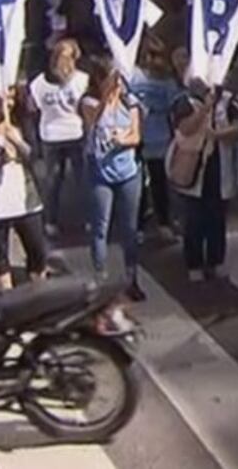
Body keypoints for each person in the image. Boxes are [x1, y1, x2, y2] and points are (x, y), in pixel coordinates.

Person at [170, 79, 238, 281]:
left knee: (217, 218)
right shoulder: (184, 101)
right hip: (193, 167)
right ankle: (194, 263)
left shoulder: (227, 100)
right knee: (194, 219)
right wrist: (205, 108)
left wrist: (219, 134)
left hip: (220, 168)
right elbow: (184, 128)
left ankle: (216, 261)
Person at [0, 93, 49, 290]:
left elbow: (34, 156)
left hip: (23, 196)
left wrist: (17, 142)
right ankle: (5, 292)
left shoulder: (20, 124)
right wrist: (0, 160)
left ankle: (39, 286)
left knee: (36, 245)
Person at [82, 58, 145, 300]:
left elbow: (136, 136)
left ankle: (132, 278)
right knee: (101, 227)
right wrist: (106, 100)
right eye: (112, 79)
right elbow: (91, 126)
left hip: (127, 171)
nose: (117, 84)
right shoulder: (89, 102)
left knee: (129, 228)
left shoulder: (130, 102)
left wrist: (123, 139)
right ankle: (101, 279)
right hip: (100, 173)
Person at [27, 39, 89, 237]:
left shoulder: (38, 83)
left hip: (51, 134)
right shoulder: (82, 80)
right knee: (82, 178)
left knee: (53, 179)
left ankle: (50, 222)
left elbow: (31, 107)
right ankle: (89, 219)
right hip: (76, 132)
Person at [126, 36, 184, 239]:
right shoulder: (133, 76)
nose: (152, 60)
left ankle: (164, 221)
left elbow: (175, 106)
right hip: (135, 135)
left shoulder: (167, 81)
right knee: (137, 183)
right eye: (148, 55)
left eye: (156, 55)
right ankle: (138, 224)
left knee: (159, 181)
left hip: (159, 136)